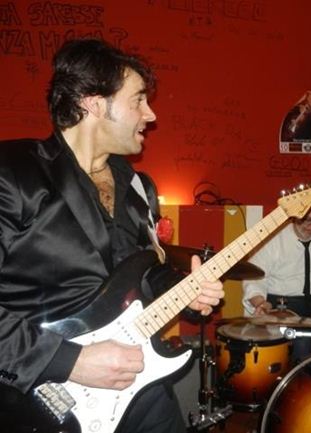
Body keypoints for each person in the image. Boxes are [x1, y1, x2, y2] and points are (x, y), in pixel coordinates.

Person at [0, 39, 224, 433]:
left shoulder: (139, 186)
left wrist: (186, 292)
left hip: (142, 388)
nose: (151, 114)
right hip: (42, 398)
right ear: (94, 103)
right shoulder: (14, 174)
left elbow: (144, 275)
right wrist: (70, 361)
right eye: (138, 100)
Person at [242, 202, 311, 360]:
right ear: (295, 215)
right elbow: (255, 278)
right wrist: (260, 303)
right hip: (281, 305)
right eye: (308, 220)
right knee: (303, 342)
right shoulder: (272, 237)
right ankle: (303, 372)